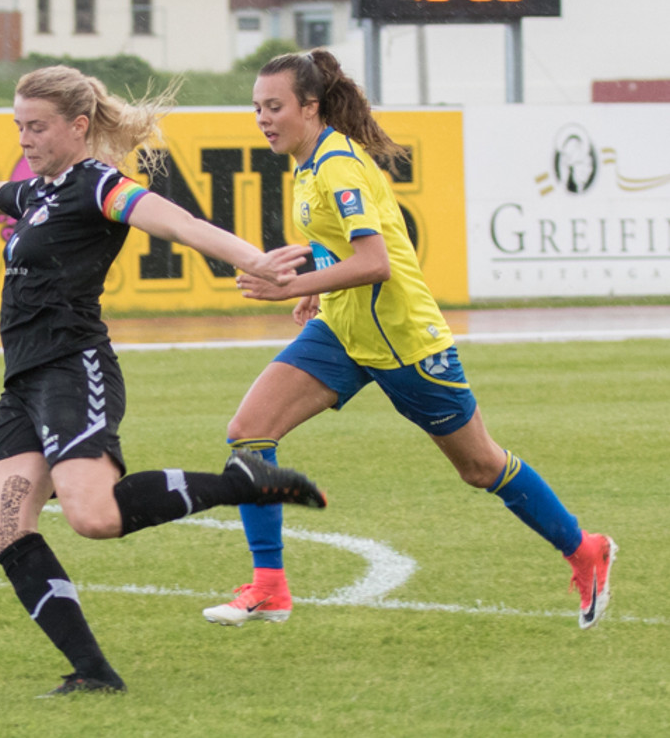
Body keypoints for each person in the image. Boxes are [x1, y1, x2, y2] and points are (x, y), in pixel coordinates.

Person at [0, 65, 327, 697]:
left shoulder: (100, 187)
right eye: (19, 125)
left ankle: (239, 483)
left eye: (37, 127)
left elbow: (179, 224)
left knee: (94, 516)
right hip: (24, 385)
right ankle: (94, 673)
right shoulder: (36, 192)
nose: (24, 138)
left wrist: (257, 262)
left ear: (78, 126)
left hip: (73, 370)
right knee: (5, 526)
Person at [201, 49, 617, 631]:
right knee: (249, 432)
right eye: (257, 108)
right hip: (344, 332)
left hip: (405, 343)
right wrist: (317, 288)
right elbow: (339, 242)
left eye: (275, 107)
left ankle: (585, 549)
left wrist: (290, 285)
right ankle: (269, 586)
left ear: (311, 107)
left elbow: (377, 263)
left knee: (481, 466)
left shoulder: (338, 166)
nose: (263, 119)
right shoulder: (307, 162)